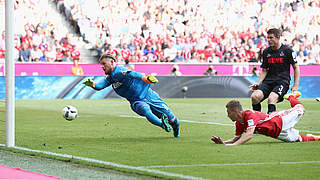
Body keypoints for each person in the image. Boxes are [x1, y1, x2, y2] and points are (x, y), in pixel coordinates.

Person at [83, 54, 180, 137]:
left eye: (104, 64)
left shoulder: (119, 71)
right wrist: (93, 85)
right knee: (145, 110)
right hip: (136, 101)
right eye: (101, 65)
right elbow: (100, 86)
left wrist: (145, 79)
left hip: (149, 95)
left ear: (112, 62)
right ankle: (162, 125)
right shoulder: (110, 78)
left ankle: (176, 130)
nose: (102, 67)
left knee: (174, 121)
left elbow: (133, 74)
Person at [211, 91, 320, 146]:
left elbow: (248, 135)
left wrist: (233, 146)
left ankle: (291, 97)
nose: (227, 115)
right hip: (277, 134)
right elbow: (235, 139)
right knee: (298, 139)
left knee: (301, 108)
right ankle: (316, 138)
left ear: (235, 111)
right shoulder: (239, 123)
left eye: (228, 112)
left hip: (281, 120)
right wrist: (223, 143)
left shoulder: (249, 115)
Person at [249, 28, 300, 114]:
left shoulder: (288, 51)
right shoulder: (266, 52)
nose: (268, 40)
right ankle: (256, 121)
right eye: (267, 38)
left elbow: (296, 67)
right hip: (268, 82)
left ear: (278, 37)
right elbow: (264, 70)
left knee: (271, 99)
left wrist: (295, 85)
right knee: (255, 97)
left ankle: (270, 124)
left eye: (271, 37)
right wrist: (258, 83)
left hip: (282, 82)